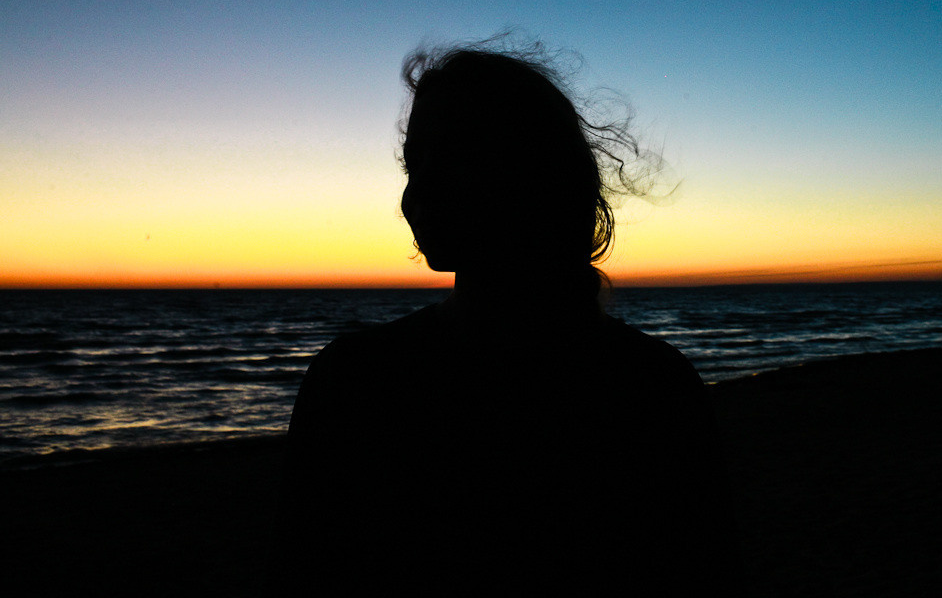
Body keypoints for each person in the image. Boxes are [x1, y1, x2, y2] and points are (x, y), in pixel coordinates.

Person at [270, 42, 743, 595]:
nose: (416, 192)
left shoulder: (649, 390)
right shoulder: (352, 379)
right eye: (413, 164)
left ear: (537, 175)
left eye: (457, 157)